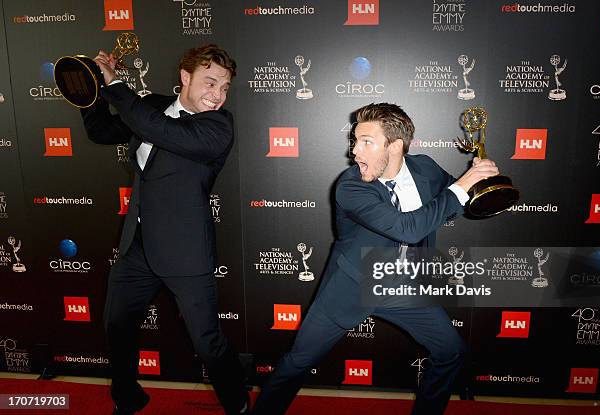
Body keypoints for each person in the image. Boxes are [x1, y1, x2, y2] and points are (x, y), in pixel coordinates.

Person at [252, 103, 499, 415]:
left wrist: (484, 184)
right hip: (352, 285)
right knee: (297, 362)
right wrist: (460, 188)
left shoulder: (425, 169)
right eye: (355, 141)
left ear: (395, 146)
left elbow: (458, 199)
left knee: (451, 351)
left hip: (402, 286)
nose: (355, 152)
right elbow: (408, 228)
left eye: (366, 142)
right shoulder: (351, 186)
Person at [80, 44, 249, 415]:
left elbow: (154, 128)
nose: (217, 95)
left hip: (185, 251)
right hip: (137, 246)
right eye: (210, 83)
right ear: (184, 77)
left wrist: (117, 84)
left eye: (224, 88)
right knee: (117, 328)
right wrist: (89, 88)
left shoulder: (218, 126)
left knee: (207, 343)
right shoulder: (151, 106)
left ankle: (238, 404)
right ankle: (129, 398)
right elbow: (101, 130)